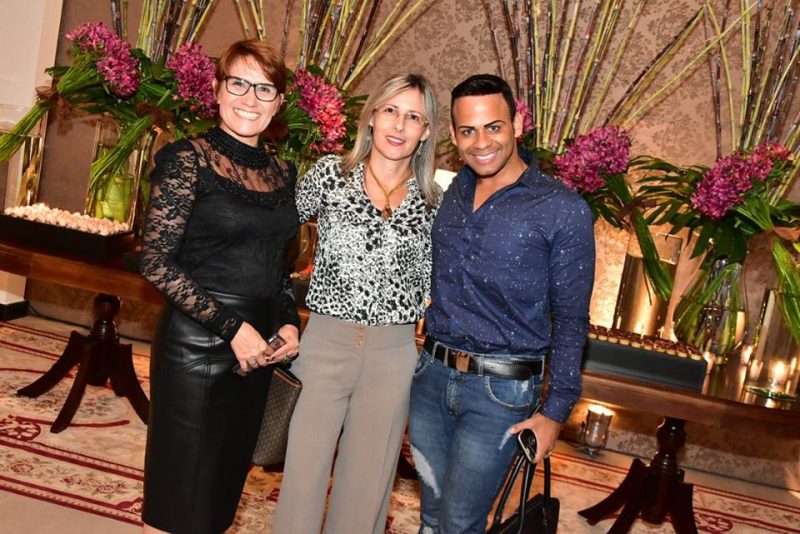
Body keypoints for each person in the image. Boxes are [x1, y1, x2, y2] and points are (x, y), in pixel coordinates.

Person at [409, 73, 595, 533]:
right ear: (454, 136)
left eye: (493, 127)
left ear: (517, 124)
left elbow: (571, 320)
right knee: (430, 515)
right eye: (468, 131)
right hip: (431, 376)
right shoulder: (452, 192)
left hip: (501, 392)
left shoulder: (562, 208)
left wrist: (554, 413)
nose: (481, 143)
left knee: (460, 523)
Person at [140, 39, 300, 534]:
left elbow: (279, 266)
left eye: (264, 89)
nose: (250, 98)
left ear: (278, 103)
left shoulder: (283, 172)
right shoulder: (187, 159)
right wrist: (234, 329)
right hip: (197, 343)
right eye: (238, 84)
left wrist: (288, 323)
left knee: (220, 495)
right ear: (215, 89)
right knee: (181, 498)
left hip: (256, 352)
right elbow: (156, 262)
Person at [272, 73, 439, 534]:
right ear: (372, 117)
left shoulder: (433, 202)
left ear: (426, 131)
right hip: (324, 344)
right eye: (390, 110)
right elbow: (271, 238)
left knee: (366, 488)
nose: (399, 125)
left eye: (413, 117)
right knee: (302, 478)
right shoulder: (331, 174)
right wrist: (278, 307)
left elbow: (442, 283)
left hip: (393, 356)